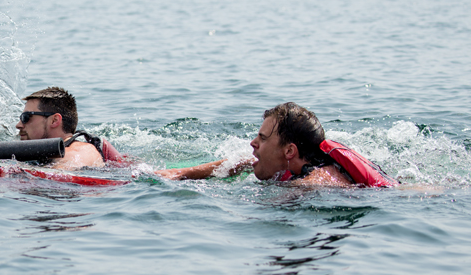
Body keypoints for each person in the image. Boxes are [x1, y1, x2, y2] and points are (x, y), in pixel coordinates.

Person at [157, 102, 397, 187]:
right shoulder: (287, 166)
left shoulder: (322, 180)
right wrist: (179, 174)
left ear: (289, 151)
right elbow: (239, 162)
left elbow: (305, 192)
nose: (253, 143)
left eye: (262, 138)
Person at [16, 87, 105, 170]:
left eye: (26, 117)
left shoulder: (77, 153)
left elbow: (64, 177)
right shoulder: (47, 153)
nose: (18, 125)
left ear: (54, 120)